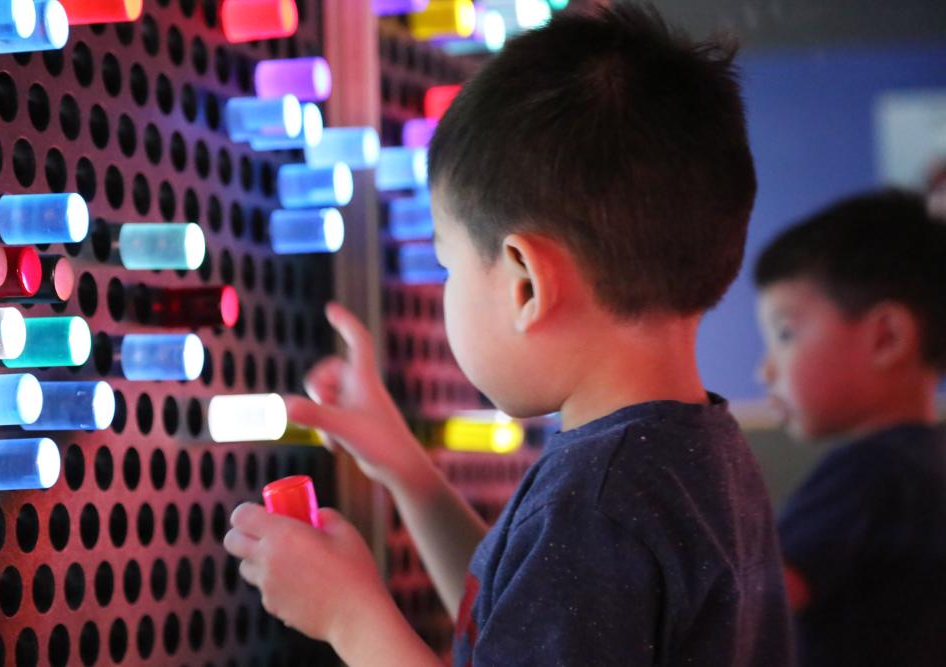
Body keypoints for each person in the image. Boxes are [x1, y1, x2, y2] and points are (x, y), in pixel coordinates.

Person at [224, 4, 793, 665]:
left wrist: (350, 617)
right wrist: (410, 472)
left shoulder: (599, 504)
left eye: (449, 263)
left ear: (525, 282)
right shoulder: (698, 458)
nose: (446, 288)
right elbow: (524, 610)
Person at [754, 189, 946, 666]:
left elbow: (755, 608)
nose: (766, 370)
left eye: (784, 334)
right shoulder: (929, 463)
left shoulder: (868, 470)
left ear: (888, 337)